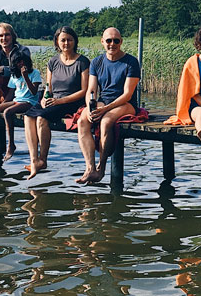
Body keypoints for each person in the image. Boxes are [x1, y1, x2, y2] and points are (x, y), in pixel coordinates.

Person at [22, 26, 90, 176]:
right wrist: (45, 98)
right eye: (63, 40)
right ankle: (34, 160)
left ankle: (43, 159)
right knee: (28, 116)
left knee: (41, 118)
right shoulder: (53, 61)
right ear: (57, 42)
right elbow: (48, 86)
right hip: (54, 100)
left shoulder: (83, 62)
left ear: (75, 41)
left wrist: (60, 101)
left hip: (72, 101)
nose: (66, 43)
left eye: (69, 40)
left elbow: (84, 91)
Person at [76, 27, 140, 185]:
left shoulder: (131, 62)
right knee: (82, 120)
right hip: (103, 100)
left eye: (116, 40)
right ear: (102, 42)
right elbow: (91, 90)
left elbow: (127, 94)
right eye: (109, 40)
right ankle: (90, 167)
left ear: (121, 42)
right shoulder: (97, 62)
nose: (112, 44)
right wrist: (90, 108)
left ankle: (101, 167)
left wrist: (105, 109)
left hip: (125, 104)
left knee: (106, 122)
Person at [0, 54, 41, 161]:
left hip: (30, 102)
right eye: (18, 62)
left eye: (23, 61)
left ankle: (11, 145)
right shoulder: (14, 75)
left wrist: (26, 77)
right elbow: (11, 94)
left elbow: (34, 92)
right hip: (17, 100)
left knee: (7, 112)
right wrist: (1, 105)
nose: (21, 64)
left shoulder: (35, 73)